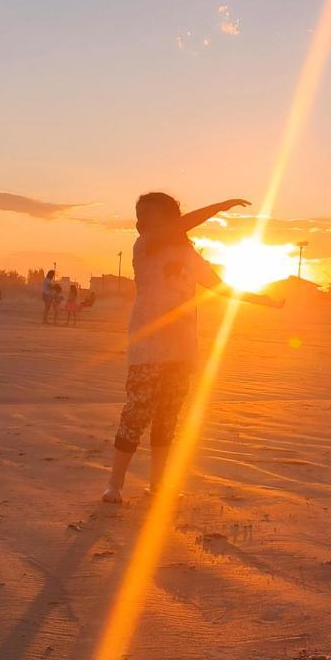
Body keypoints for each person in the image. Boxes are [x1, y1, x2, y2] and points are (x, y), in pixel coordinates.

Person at [102, 193, 281, 503]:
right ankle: (115, 485)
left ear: (167, 217)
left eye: (149, 214)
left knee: (168, 416)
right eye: (138, 214)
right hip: (148, 345)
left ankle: (157, 485)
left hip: (182, 348)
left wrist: (258, 298)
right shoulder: (145, 246)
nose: (141, 220)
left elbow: (217, 285)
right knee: (136, 412)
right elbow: (178, 227)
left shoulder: (186, 253)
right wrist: (218, 206)